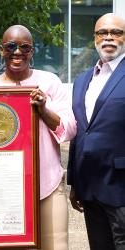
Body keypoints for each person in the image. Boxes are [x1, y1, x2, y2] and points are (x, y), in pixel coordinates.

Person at [0, 25, 76, 250]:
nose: (18, 52)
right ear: (1, 50)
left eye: (25, 47)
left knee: (57, 246)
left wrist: (43, 109)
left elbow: (70, 129)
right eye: (11, 46)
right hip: (5, 187)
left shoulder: (50, 82)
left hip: (48, 183)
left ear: (32, 51)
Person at [67, 13, 125, 250]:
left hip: (121, 187)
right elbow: (79, 132)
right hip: (89, 187)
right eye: (103, 32)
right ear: (94, 38)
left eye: (116, 32)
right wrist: (75, 182)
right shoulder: (82, 80)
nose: (108, 37)